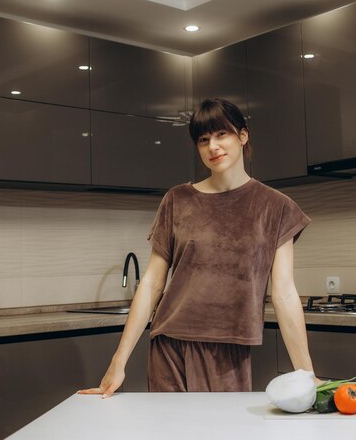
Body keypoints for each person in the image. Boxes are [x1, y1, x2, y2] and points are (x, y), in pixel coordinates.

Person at [79, 98, 316, 396]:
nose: (212, 146)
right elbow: (152, 283)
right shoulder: (177, 200)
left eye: (221, 134)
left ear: (243, 136)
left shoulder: (277, 207)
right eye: (203, 140)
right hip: (171, 343)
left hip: (231, 347)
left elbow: (283, 293)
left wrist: (306, 374)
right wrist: (118, 361)